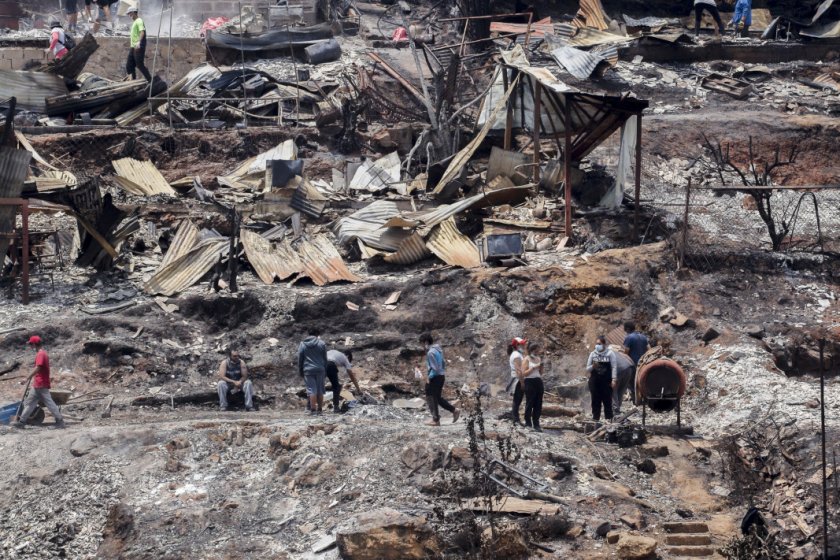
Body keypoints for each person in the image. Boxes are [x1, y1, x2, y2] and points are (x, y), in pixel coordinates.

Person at [14, 336, 65, 429]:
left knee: (49, 403)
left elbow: (38, 367)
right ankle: (21, 422)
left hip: (41, 383)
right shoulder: (41, 353)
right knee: (29, 403)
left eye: (30, 344)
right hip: (38, 383)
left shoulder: (41, 354)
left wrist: (27, 378)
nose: (30, 346)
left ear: (34, 344)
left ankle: (60, 421)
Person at [420, 332, 459, 426]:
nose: (421, 345)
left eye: (421, 343)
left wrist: (430, 377)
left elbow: (435, 368)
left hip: (435, 377)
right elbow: (443, 363)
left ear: (425, 342)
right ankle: (454, 410)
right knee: (437, 398)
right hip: (441, 377)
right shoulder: (437, 350)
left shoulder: (430, 352)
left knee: (430, 397)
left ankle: (435, 419)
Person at [586, 335, 617, 423]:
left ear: (604, 344)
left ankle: (609, 420)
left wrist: (614, 379)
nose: (597, 345)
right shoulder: (593, 354)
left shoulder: (610, 354)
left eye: (599, 344)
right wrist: (593, 366)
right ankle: (596, 419)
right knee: (595, 401)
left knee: (607, 400)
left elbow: (614, 367)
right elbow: (587, 368)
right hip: (595, 382)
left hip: (606, 382)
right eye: (596, 344)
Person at [299, 329, 328, 415]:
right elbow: (325, 358)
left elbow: (300, 358)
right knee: (320, 390)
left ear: (308, 334)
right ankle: (320, 410)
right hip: (320, 369)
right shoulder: (322, 343)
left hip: (308, 370)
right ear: (317, 334)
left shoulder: (302, 344)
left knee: (312, 390)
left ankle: (313, 410)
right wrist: (325, 369)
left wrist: (301, 370)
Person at [622, 321, 649, 405]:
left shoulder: (629, 338)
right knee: (643, 381)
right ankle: (646, 399)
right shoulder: (643, 337)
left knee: (633, 382)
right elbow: (649, 349)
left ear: (627, 329)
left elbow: (626, 352)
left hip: (633, 364)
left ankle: (636, 401)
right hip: (643, 364)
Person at [326, 349, 360, 413]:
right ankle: (336, 407)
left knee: (317, 385)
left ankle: (311, 407)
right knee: (337, 386)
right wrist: (358, 389)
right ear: (347, 356)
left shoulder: (333, 352)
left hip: (319, 364)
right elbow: (352, 376)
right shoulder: (345, 358)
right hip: (330, 365)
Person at [522, 341, 545, 432]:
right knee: (530, 402)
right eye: (536, 350)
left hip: (538, 381)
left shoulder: (538, 358)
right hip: (529, 382)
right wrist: (534, 367)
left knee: (538, 403)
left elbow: (541, 373)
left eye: (538, 350)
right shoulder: (526, 359)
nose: (538, 351)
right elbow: (524, 373)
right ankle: (528, 423)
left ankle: (536, 423)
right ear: (532, 350)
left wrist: (541, 367)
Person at [126, 7, 152, 82]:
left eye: (130, 13)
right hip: (133, 47)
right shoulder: (134, 22)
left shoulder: (139, 21)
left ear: (134, 12)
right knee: (129, 65)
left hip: (138, 46)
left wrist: (139, 42)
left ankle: (150, 80)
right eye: (128, 14)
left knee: (139, 64)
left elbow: (142, 32)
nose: (129, 15)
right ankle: (132, 81)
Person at [506, 337, 527, 424]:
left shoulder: (517, 354)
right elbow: (518, 370)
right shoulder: (516, 355)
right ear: (517, 345)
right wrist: (522, 382)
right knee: (517, 399)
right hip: (517, 379)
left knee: (517, 399)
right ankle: (515, 419)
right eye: (522, 344)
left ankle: (515, 418)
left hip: (517, 378)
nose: (524, 345)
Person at [612, 350, 636, 416]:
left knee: (612, 391)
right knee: (621, 390)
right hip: (629, 368)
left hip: (618, 370)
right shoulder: (618, 353)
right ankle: (617, 409)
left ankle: (615, 411)